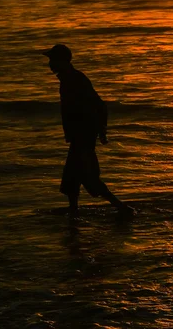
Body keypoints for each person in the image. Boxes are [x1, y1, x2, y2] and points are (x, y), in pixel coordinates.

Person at [43, 44, 134, 217]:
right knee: (72, 176)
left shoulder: (74, 79)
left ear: (61, 61)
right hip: (79, 135)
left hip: (83, 135)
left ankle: (121, 207)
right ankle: (74, 213)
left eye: (52, 60)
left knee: (87, 176)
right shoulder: (68, 79)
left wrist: (101, 130)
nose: (50, 64)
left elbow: (98, 105)